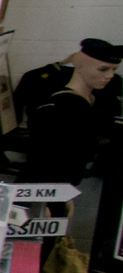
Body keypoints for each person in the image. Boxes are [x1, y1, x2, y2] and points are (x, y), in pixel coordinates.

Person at [11, 38, 118, 188]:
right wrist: (44, 203)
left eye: (114, 70)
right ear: (79, 64)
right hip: (41, 190)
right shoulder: (58, 108)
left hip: (65, 187)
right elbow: (42, 161)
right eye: (103, 69)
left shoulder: (95, 100)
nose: (110, 76)